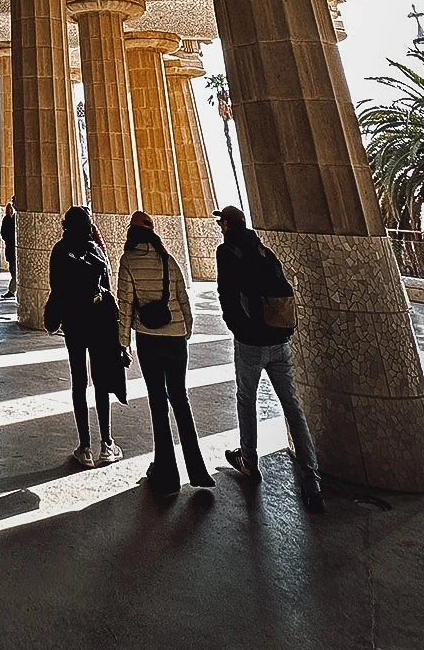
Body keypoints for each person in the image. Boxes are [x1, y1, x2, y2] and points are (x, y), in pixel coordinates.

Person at [215, 204, 326, 513]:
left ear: (227, 226)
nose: (220, 227)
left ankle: (249, 460)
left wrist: (238, 327)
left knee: (246, 399)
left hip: (251, 342)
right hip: (279, 341)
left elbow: (226, 294)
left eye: (222, 222)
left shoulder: (227, 253)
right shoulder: (263, 250)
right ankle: (311, 477)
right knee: (292, 406)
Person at [119, 210, 214, 495]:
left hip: (148, 339)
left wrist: (122, 342)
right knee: (180, 401)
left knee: (158, 405)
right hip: (175, 339)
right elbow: (184, 299)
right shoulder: (169, 261)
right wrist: (186, 332)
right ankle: (197, 470)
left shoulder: (129, 261)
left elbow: (125, 306)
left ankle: (167, 473)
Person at [47, 205, 126, 468]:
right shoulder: (96, 251)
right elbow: (109, 289)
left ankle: (85, 447)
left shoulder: (60, 251)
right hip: (99, 324)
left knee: (79, 381)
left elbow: (56, 288)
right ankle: (107, 443)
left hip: (74, 324)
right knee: (101, 381)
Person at [1, 201, 17, 297]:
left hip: (14, 248)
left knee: (14, 271)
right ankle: (13, 289)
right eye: (9, 208)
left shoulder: (16, 218)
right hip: (10, 248)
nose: (10, 210)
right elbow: (3, 233)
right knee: (12, 269)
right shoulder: (6, 219)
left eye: (11, 208)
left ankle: (12, 291)